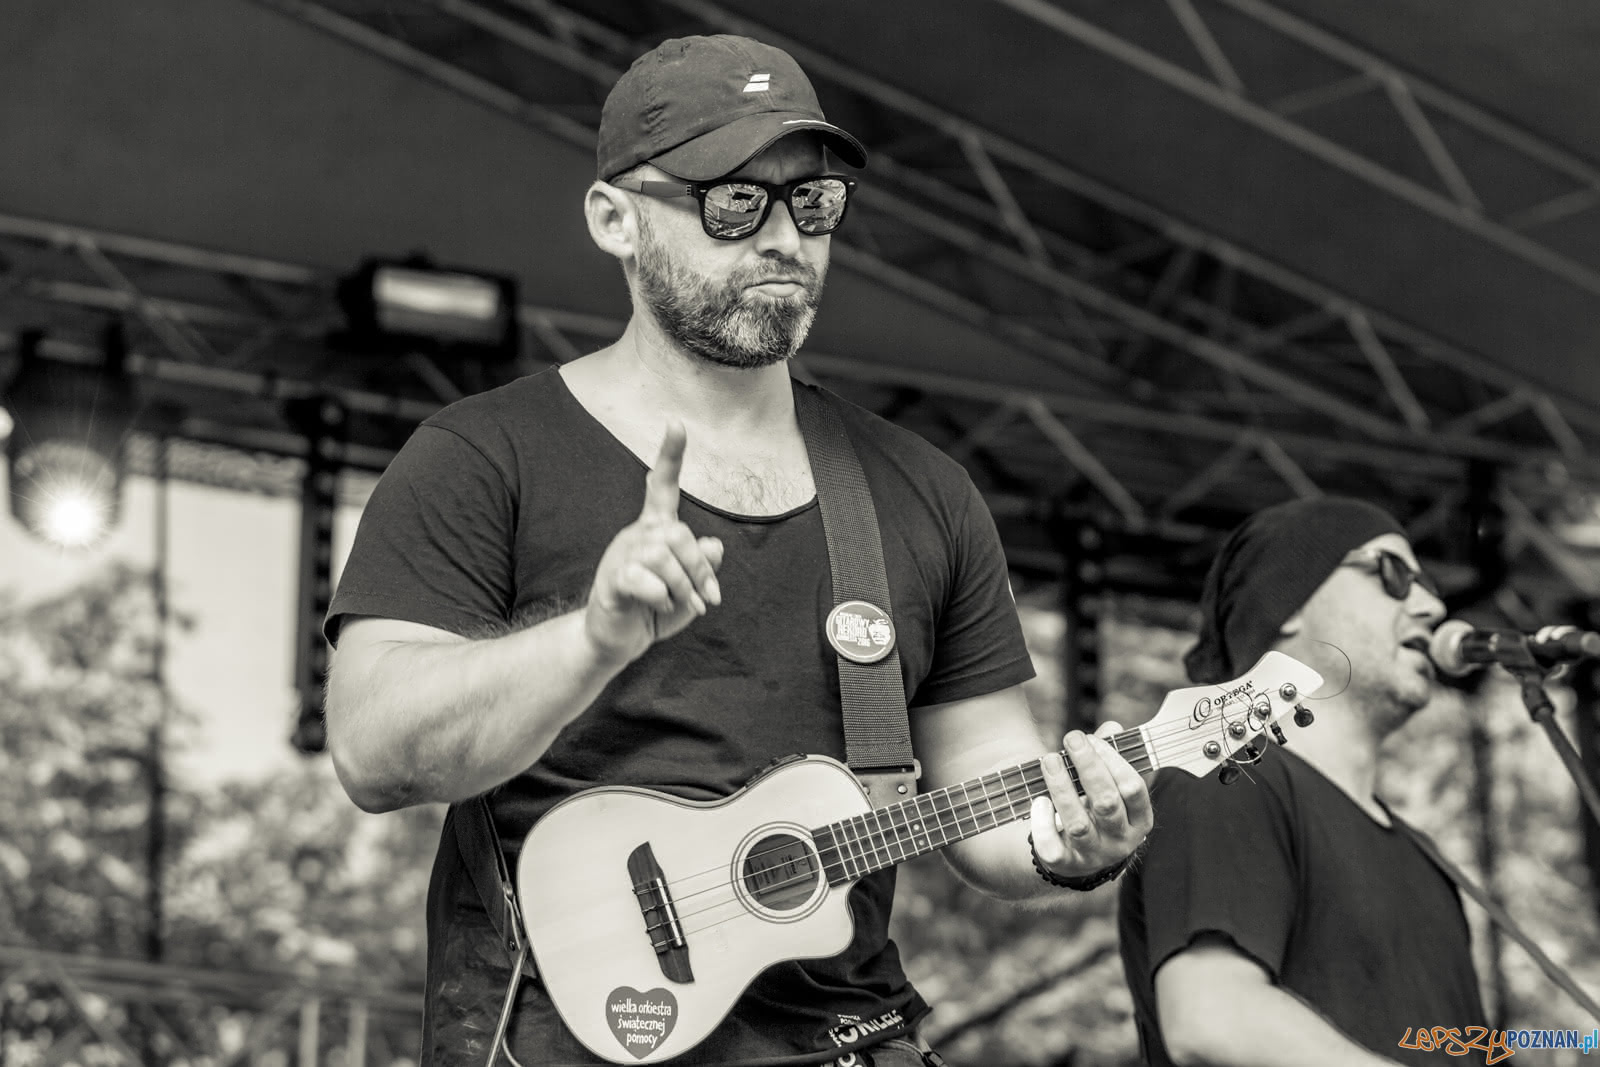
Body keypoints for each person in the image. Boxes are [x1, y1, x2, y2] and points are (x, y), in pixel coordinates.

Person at [323, 34, 1153, 1067]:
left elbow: (988, 780)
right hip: (561, 1037)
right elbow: (372, 749)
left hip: (849, 1033)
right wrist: (588, 639)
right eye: (732, 201)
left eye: (812, 203)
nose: (782, 238)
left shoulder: (923, 489)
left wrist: (1067, 844)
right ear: (614, 218)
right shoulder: (481, 456)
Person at [1117, 496, 1490, 1067]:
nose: (1431, 605)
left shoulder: (1427, 859)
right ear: (1286, 606)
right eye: (1392, 573)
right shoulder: (1222, 780)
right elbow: (1214, 1018)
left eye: (1427, 582)